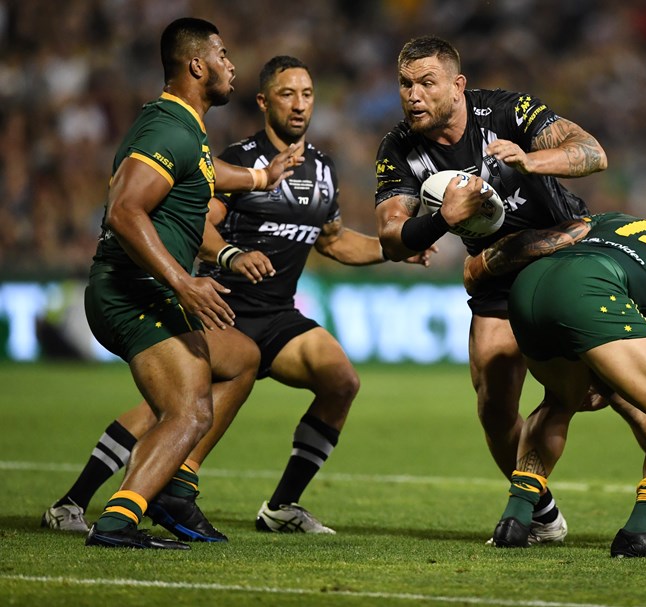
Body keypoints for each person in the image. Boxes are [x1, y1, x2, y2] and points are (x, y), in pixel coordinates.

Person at [42, 55, 434, 539]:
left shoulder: (324, 170)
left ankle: (282, 505)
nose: (299, 105)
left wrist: (394, 251)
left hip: (277, 315)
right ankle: (80, 499)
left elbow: (332, 241)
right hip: (224, 308)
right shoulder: (238, 158)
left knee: (340, 381)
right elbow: (197, 225)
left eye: (307, 94)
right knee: (168, 408)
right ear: (265, 101)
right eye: (287, 94)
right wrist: (230, 253)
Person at [77, 18, 303, 549]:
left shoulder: (186, 131)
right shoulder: (168, 130)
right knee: (190, 409)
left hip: (146, 291)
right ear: (197, 65)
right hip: (129, 291)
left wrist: (260, 177)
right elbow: (124, 210)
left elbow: (206, 171)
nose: (232, 65)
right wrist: (183, 282)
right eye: (223, 55)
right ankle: (118, 521)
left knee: (242, 355)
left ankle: (172, 486)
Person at [374, 34, 607, 544]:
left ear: (457, 86)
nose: (413, 94)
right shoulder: (399, 148)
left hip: (562, 255)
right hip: (495, 274)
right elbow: (391, 238)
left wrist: (530, 160)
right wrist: (440, 222)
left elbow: (591, 152)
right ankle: (540, 511)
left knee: (626, 394)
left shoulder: (507, 111)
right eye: (405, 84)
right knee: (493, 405)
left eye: (426, 83)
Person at [473, 212, 646, 558]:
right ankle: (642, 530)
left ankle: (516, 520)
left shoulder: (625, 223)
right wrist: (611, 382)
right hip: (590, 291)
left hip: (528, 286)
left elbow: (568, 232)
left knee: (560, 401)